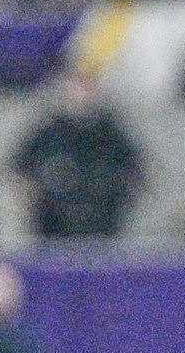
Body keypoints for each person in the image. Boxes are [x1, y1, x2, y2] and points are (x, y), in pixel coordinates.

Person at [10, 68, 141, 241]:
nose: (81, 94)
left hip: (104, 226)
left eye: (87, 87)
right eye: (76, 87)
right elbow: (20, 171)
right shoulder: (48, 134)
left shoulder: (111, 134)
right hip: (54, 228)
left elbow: (136, 170)